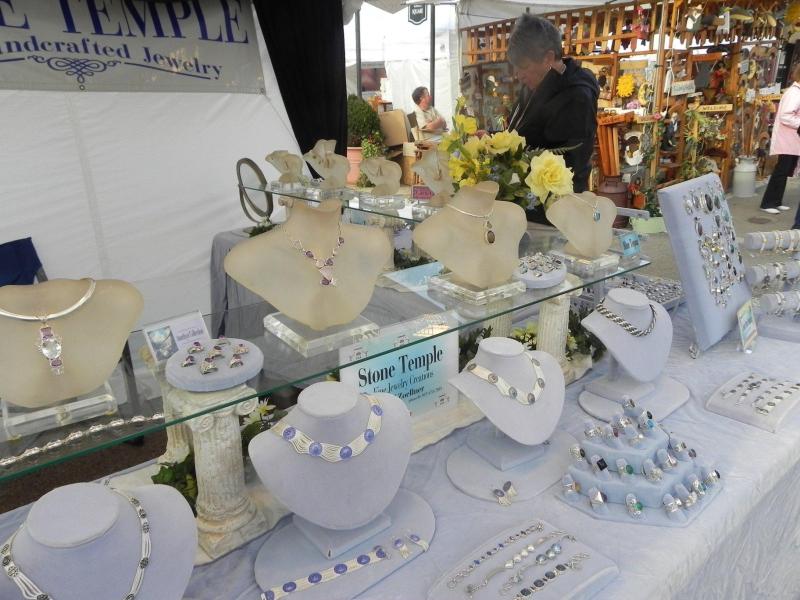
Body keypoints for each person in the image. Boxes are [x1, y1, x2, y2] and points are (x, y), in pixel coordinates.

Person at [506, 14, 599, 222]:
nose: (518, 74)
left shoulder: (577, 95)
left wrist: (509, 166)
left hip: (554, 211)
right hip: (526, 202)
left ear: (548, 58)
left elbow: (570, 163)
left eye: (523, 66)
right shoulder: (534, 84)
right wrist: (493, 141)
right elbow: (521, 135)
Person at [762, 64, 800, 215]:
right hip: (787, 138)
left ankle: (776, 201)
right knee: (781, 171)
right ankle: (767, 203)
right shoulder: (794, 93)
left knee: (785, 171)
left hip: (793, 139)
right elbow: (785, 115)